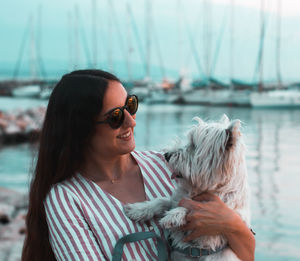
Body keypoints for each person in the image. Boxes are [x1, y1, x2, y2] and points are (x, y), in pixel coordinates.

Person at [21, 69, 255, 261]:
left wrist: (232, 225)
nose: (131, 121)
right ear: (80, 130)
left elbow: (245, 254)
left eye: (131, 105)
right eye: (115, 117)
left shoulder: (170, 165)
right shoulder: (67, 199)